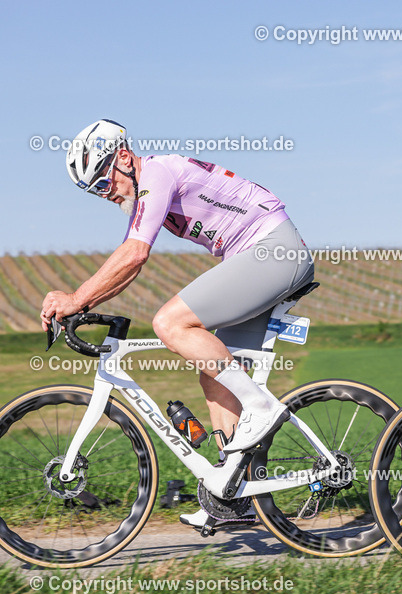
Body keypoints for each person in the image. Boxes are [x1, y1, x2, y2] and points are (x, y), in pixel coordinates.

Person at [43, 119, 315, 529]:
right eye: (95, 191)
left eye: (103, 182)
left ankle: (260, 408)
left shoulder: (156, 174)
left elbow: (134, 254)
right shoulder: (147, 187)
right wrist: (84, 302)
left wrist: (76, 299)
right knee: (214, 374)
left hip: (271, 250)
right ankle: (230, 494)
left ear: (122, 157)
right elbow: (129, 263)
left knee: (169, 323)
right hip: (256, 254)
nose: (105, 194)